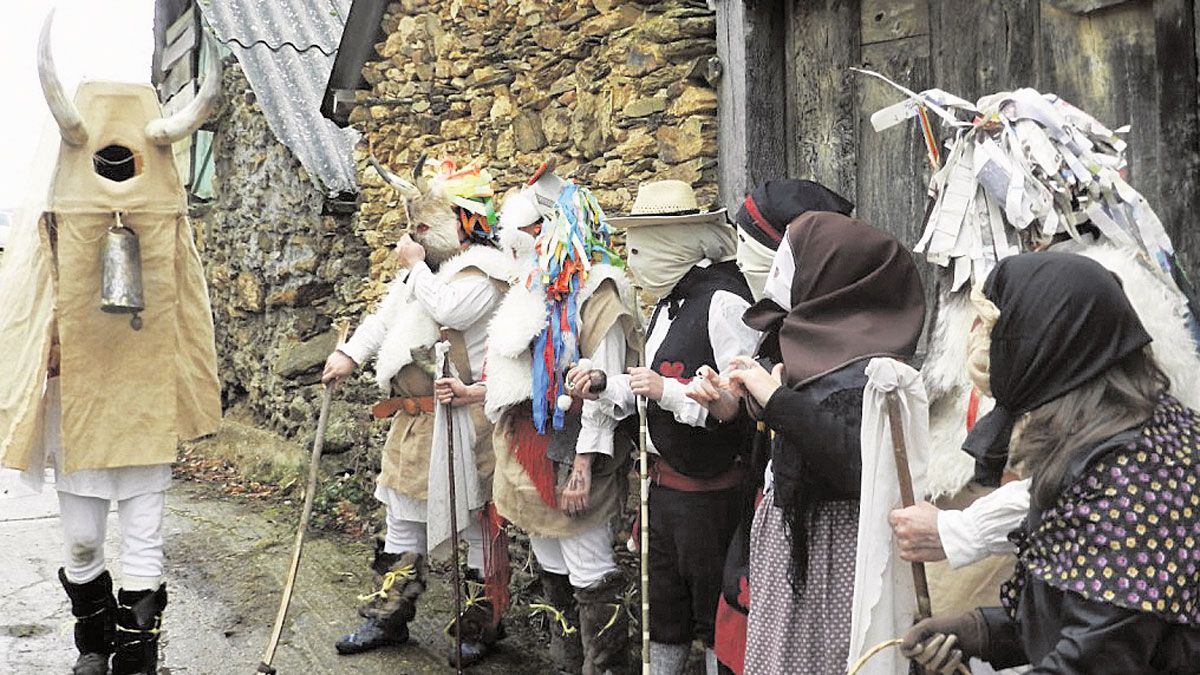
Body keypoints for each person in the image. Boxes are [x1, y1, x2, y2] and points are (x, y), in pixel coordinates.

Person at [0, 15, 222, 674]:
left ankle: (136, 657)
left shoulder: (168, 226)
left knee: (146, 536)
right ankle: (92, 640)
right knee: (81, 539)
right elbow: (27, 309)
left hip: (144, 399)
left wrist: (190, 394)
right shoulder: (47, 224)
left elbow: (187, 310)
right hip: (81, 406)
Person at [902, 251, 1200, 674]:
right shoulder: (1112, 437)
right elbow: (1086, 601)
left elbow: (1098, 659)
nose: (980, 342)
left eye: (994, 327)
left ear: (1048, 342)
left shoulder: (1139, 474)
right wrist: (979, 630)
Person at [689, 212, 926, 674]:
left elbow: (855, 465)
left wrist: (776, 399)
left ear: (834, 275)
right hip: (795, 545)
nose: (778, 273)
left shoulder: (876, 370)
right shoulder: (808, 344)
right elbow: (791, 442)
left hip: (837, 553)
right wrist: (738, 406)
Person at [322, 157, 514, 667]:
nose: (415, 233)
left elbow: (450, 310)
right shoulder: (430, 271)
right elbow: (386, 316)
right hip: (415, 419)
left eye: (425, 225)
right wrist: (349, 355)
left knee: (475, 521)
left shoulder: (487, 273)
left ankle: (482, 625)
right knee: (402, 517)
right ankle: (389, 616)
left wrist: (414, 267)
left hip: (463, 420)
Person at [575, 180, 759, 674]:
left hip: (711, 495)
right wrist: (601, 384)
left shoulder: (725, 301)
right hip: (664, 490)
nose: (634, 258)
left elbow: (739, 407)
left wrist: (668, 393)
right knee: (666, 610)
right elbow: (647, 386)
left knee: (715, 612)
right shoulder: (667, 302)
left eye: (643, 244)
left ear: (675, 242)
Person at [484, 168, 640, 674]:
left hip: (573, 455)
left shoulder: (598, 294)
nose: (519, 244)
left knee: (589, 568)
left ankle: (606, 667)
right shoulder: (538, 290)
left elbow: (607, 385)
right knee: (551, 561)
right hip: (533, 448)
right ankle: (566, 664)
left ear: (554, 229)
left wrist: (582, 466)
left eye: (530, 232)